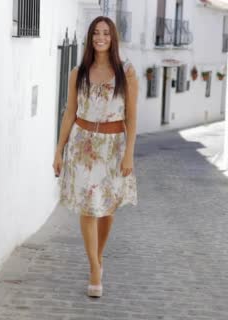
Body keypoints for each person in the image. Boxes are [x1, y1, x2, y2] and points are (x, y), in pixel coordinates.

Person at [52, 16, 138, 298]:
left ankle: (98, 257)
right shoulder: (79, 72)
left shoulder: (127, 73)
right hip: (82, 145)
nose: (100, 37)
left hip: (113, 147)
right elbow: (69, 112)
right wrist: (59, 149)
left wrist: (129, 155)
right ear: (90, 38)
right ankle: (93, 268)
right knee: (88, 208)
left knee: (107, 209)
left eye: (106, 33)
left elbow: (132, 118)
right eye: (96, 33)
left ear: (113, 38)